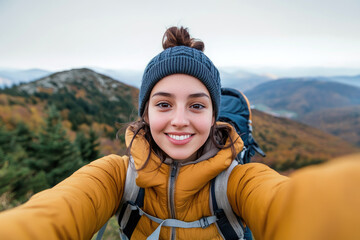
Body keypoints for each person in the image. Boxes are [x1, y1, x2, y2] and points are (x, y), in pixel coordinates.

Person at [0, 26, 360, 240]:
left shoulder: (237, 183)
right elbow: (50, 216)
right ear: (145, 112)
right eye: (163, 104)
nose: (180, 120)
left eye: (197, 105)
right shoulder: (115, 176)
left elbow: (293, 205)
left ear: (215, 116)